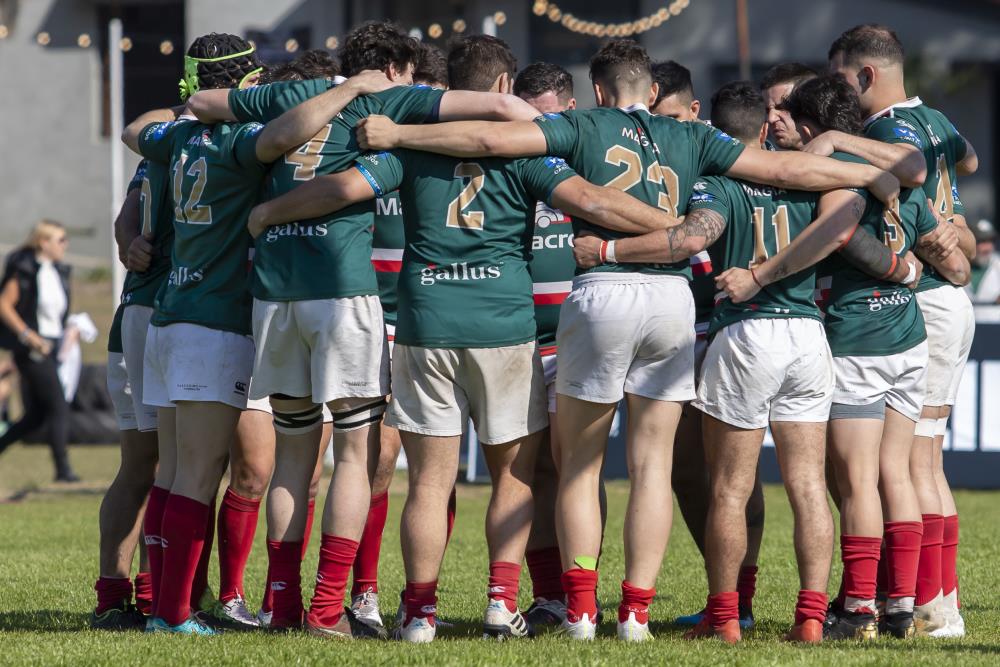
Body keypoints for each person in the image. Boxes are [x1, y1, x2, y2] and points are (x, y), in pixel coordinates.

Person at [355, 37, 900, 641]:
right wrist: (873, 175)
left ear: (598, 90)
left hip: (601, 293)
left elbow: (489, 141)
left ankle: (580, 612)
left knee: (579, 467)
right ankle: (636, 614)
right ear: (654, 90)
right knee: (652, 467)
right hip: (670, 299)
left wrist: (399, 134)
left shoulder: (580, 125)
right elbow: (785, 169)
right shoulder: (692, 135)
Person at [248, 34, 688, 644]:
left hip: (426, 323)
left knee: (430, 481)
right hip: (502, 326)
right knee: (514, 475)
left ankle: (418, 615)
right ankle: (500, 606)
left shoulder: (410, 146)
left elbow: (343, 188)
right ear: (505, 87)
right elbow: (592, 199)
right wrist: (675, 226)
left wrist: (269, 212)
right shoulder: (526, 153)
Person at [186, 20, 550, 636]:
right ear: (395, 70)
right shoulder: (389, 98)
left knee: (294, 455)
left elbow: (198, 102)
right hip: (340, 292)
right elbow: (507, 107)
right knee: (356, 453)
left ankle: (281, 604)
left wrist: (269, 210)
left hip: (274, 292)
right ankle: (330, 608)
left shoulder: (288, 95)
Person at [573, 80, 921, 644]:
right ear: (763, 127)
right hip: (806, 334)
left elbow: (694, 236)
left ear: (714, 131)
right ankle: (811, 617)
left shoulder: (716, 181)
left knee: (730, 489)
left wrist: (607, 249)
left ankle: (727, 616)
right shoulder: (809, 177)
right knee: (808, 486)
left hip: (746, 334)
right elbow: (853, 214)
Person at [123, 33, 392, 636]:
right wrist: (347, 86)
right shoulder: (240, 141)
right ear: (247, 82)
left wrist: (189, 105)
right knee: (196, 475)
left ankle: (163, 603)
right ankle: (173, 614)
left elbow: (132, 129)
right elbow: (280, 137)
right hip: (215, 320)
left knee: (172, 472)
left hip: (169, 313)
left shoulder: (178, 135)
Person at [750, 74, 968, 640]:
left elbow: (839, 235)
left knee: (857, 484)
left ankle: (859, 609)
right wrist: (916, 266)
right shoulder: (901, 180)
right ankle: (901, 606)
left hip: (858, 339)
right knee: (897, 473)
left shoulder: (836, 178)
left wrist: (764, 275)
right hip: (908, 336)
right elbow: (959, 267)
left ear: (810, 127)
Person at [828, 24, 977, 637]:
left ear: (866, 75)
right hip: (949, 298)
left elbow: (909, 182)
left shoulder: (884, 132)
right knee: (926, 461)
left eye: (840, 79)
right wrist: (952, 222)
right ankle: (939, 602)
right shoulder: (935, 119)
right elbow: (969, 159)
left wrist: (840, 140)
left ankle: (932, 607)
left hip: (925, 298)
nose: (836, 92)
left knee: (913, 464)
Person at [91, 163, 161, 630]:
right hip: (172, 313)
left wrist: (129, 240)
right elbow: (123, 229)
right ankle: (154, 596)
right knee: (175, 470)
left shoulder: (160, 141)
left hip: (135, 313)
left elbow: (123, 225)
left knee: (141, 466)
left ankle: (115, 598)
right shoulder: (224, 138)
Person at [0, 220, 78, 482]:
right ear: (43, 242)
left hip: (53, 345)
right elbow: (4, 305)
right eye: (60, 239)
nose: (65, 245)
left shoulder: (57, 271)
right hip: (33, 349)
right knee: (58, 405)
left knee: (36, 415)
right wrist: (28, 336)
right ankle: (63, 471)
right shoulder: (24, 269)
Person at [759, 63, 817, 150]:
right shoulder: (762, 153)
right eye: (767, 110)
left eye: (782, 108)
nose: (771, 119)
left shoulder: (836, 155)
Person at [967, 219, 1000, 303]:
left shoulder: (998, 264)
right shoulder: (956, 266)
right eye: (981, 241)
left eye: (990, 241)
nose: (987, 248)